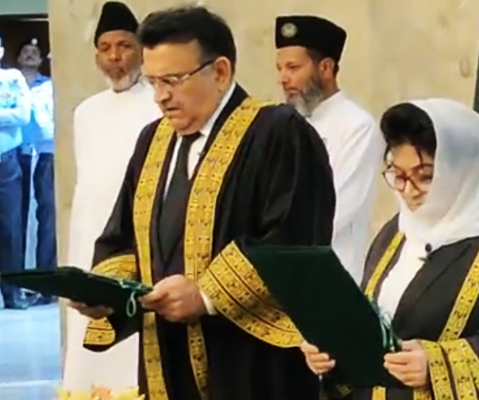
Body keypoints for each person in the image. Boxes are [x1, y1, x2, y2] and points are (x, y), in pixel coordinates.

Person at [70, 5, 336, 400]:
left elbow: (293, 241)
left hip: (250, 360)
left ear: (221, 71)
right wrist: (106, 293)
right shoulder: (153, 140)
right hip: (166, 351)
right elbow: (124, 237)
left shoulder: (277, 133)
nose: (161, 96)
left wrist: (206, 294)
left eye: (174, 80)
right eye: (155, 81)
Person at [301, 99, 479, 399]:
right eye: (399, 175)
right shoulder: (394, 234)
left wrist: (437, 365)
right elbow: (374, 327)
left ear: (461, 172)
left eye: (425, 176)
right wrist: (332, 353)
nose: (408, 191)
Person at [62, 1, 162, 393]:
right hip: (90, 242)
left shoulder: (158, 104)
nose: (115, 57)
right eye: (105, 48)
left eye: (123, 46)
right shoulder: (86, 112)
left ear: (140, 50)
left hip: (137, 244)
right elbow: (86, 190)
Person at [275, 15, 381, 283]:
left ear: (325, 67)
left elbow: (333, 211)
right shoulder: (282, 124)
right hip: (279, 272)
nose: (283, 79)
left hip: (331, 277)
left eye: (293, 67)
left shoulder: (356, 126)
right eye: (280, 69)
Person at [16, 38, 55, 305]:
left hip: (45, 153)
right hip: (15, 153)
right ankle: (16, 283)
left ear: (41, 60)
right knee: (14, 219)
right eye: (25, 52)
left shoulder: (50, 86)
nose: (30, 56)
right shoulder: (8, 83)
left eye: (34, 53)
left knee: (48, 215)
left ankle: (47, 283)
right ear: (17, 58)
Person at [0, 34, 32, 310]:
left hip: (7, 161)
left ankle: (12, 293)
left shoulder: (13, 79)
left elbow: (23, 115)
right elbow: (13, 115)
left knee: (11, 229)